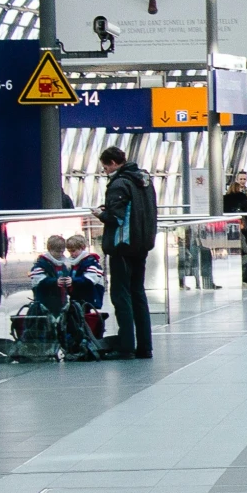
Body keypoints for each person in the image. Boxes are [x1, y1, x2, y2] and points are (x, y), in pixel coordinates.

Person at [97, 144, 158, 356]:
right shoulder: (144, 181)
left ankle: (126, 346)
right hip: (141, 244)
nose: (105, 172)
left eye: (105, 168)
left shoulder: (119, 184)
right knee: (138, 294)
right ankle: (145, 346)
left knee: (121, 295)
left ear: (112, 163)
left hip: (122, 247)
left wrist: (100, 214)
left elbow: (116, 217)